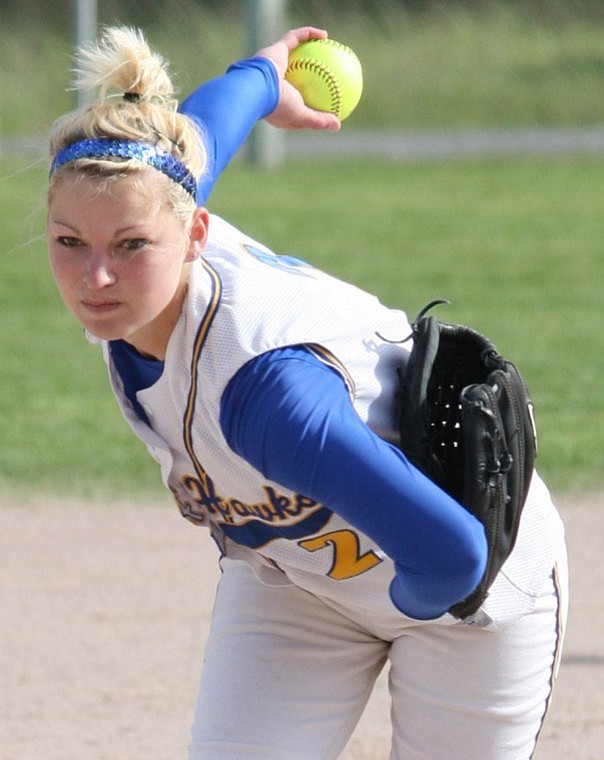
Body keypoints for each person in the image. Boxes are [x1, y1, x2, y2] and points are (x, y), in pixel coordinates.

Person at [46, 24, 568, 760]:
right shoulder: (151, 191)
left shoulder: (269, 399)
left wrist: (402, 610)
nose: (95, 276)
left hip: (464, 603)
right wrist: (262, 77)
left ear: (195, 232)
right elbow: (201, 130)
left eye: (130, 246)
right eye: (70, 242)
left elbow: (453, 555)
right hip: (295, 588)